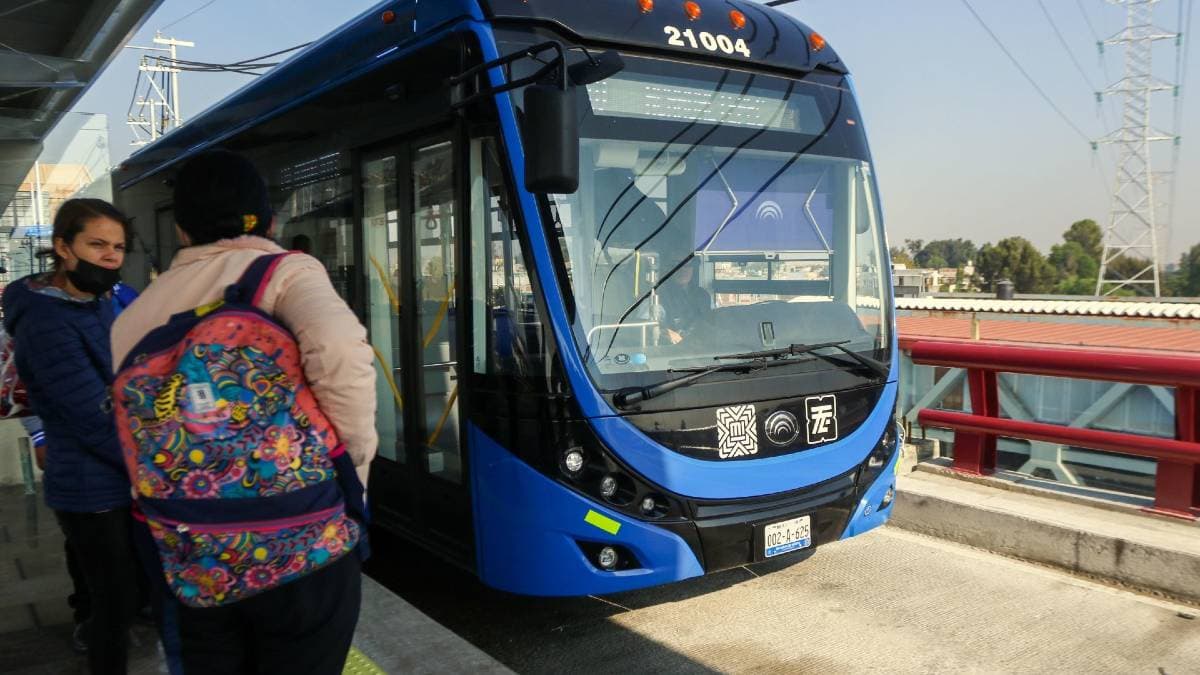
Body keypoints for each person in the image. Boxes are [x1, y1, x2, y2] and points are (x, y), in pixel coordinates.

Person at [111, 149, 377, 675]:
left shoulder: (134, 315)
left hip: (192, 552)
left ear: (182, 229)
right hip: (302, 544)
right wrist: (352, 467)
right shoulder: (286, 273)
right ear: (270, 220)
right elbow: (342, 353)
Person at [1, 198, 142, 673]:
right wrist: (164, 466)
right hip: (90, 485)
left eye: (118, 247)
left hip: (119, 475)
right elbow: (93, 417)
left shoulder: (99, 299)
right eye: (97, 244)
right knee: (113, 604)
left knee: (124, 596)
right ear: (63, 247)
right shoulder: (47, 319)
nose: (110, 256)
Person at [656, 256, 712, 345]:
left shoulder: (703, 295)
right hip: (670, 350)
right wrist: (663, 331)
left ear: (693, 268)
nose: (683, 270)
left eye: (688, 266)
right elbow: (649, 325)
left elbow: (708, 322)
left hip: (700, 348)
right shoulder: (657, 296)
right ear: (669, 269)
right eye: (677, 265)